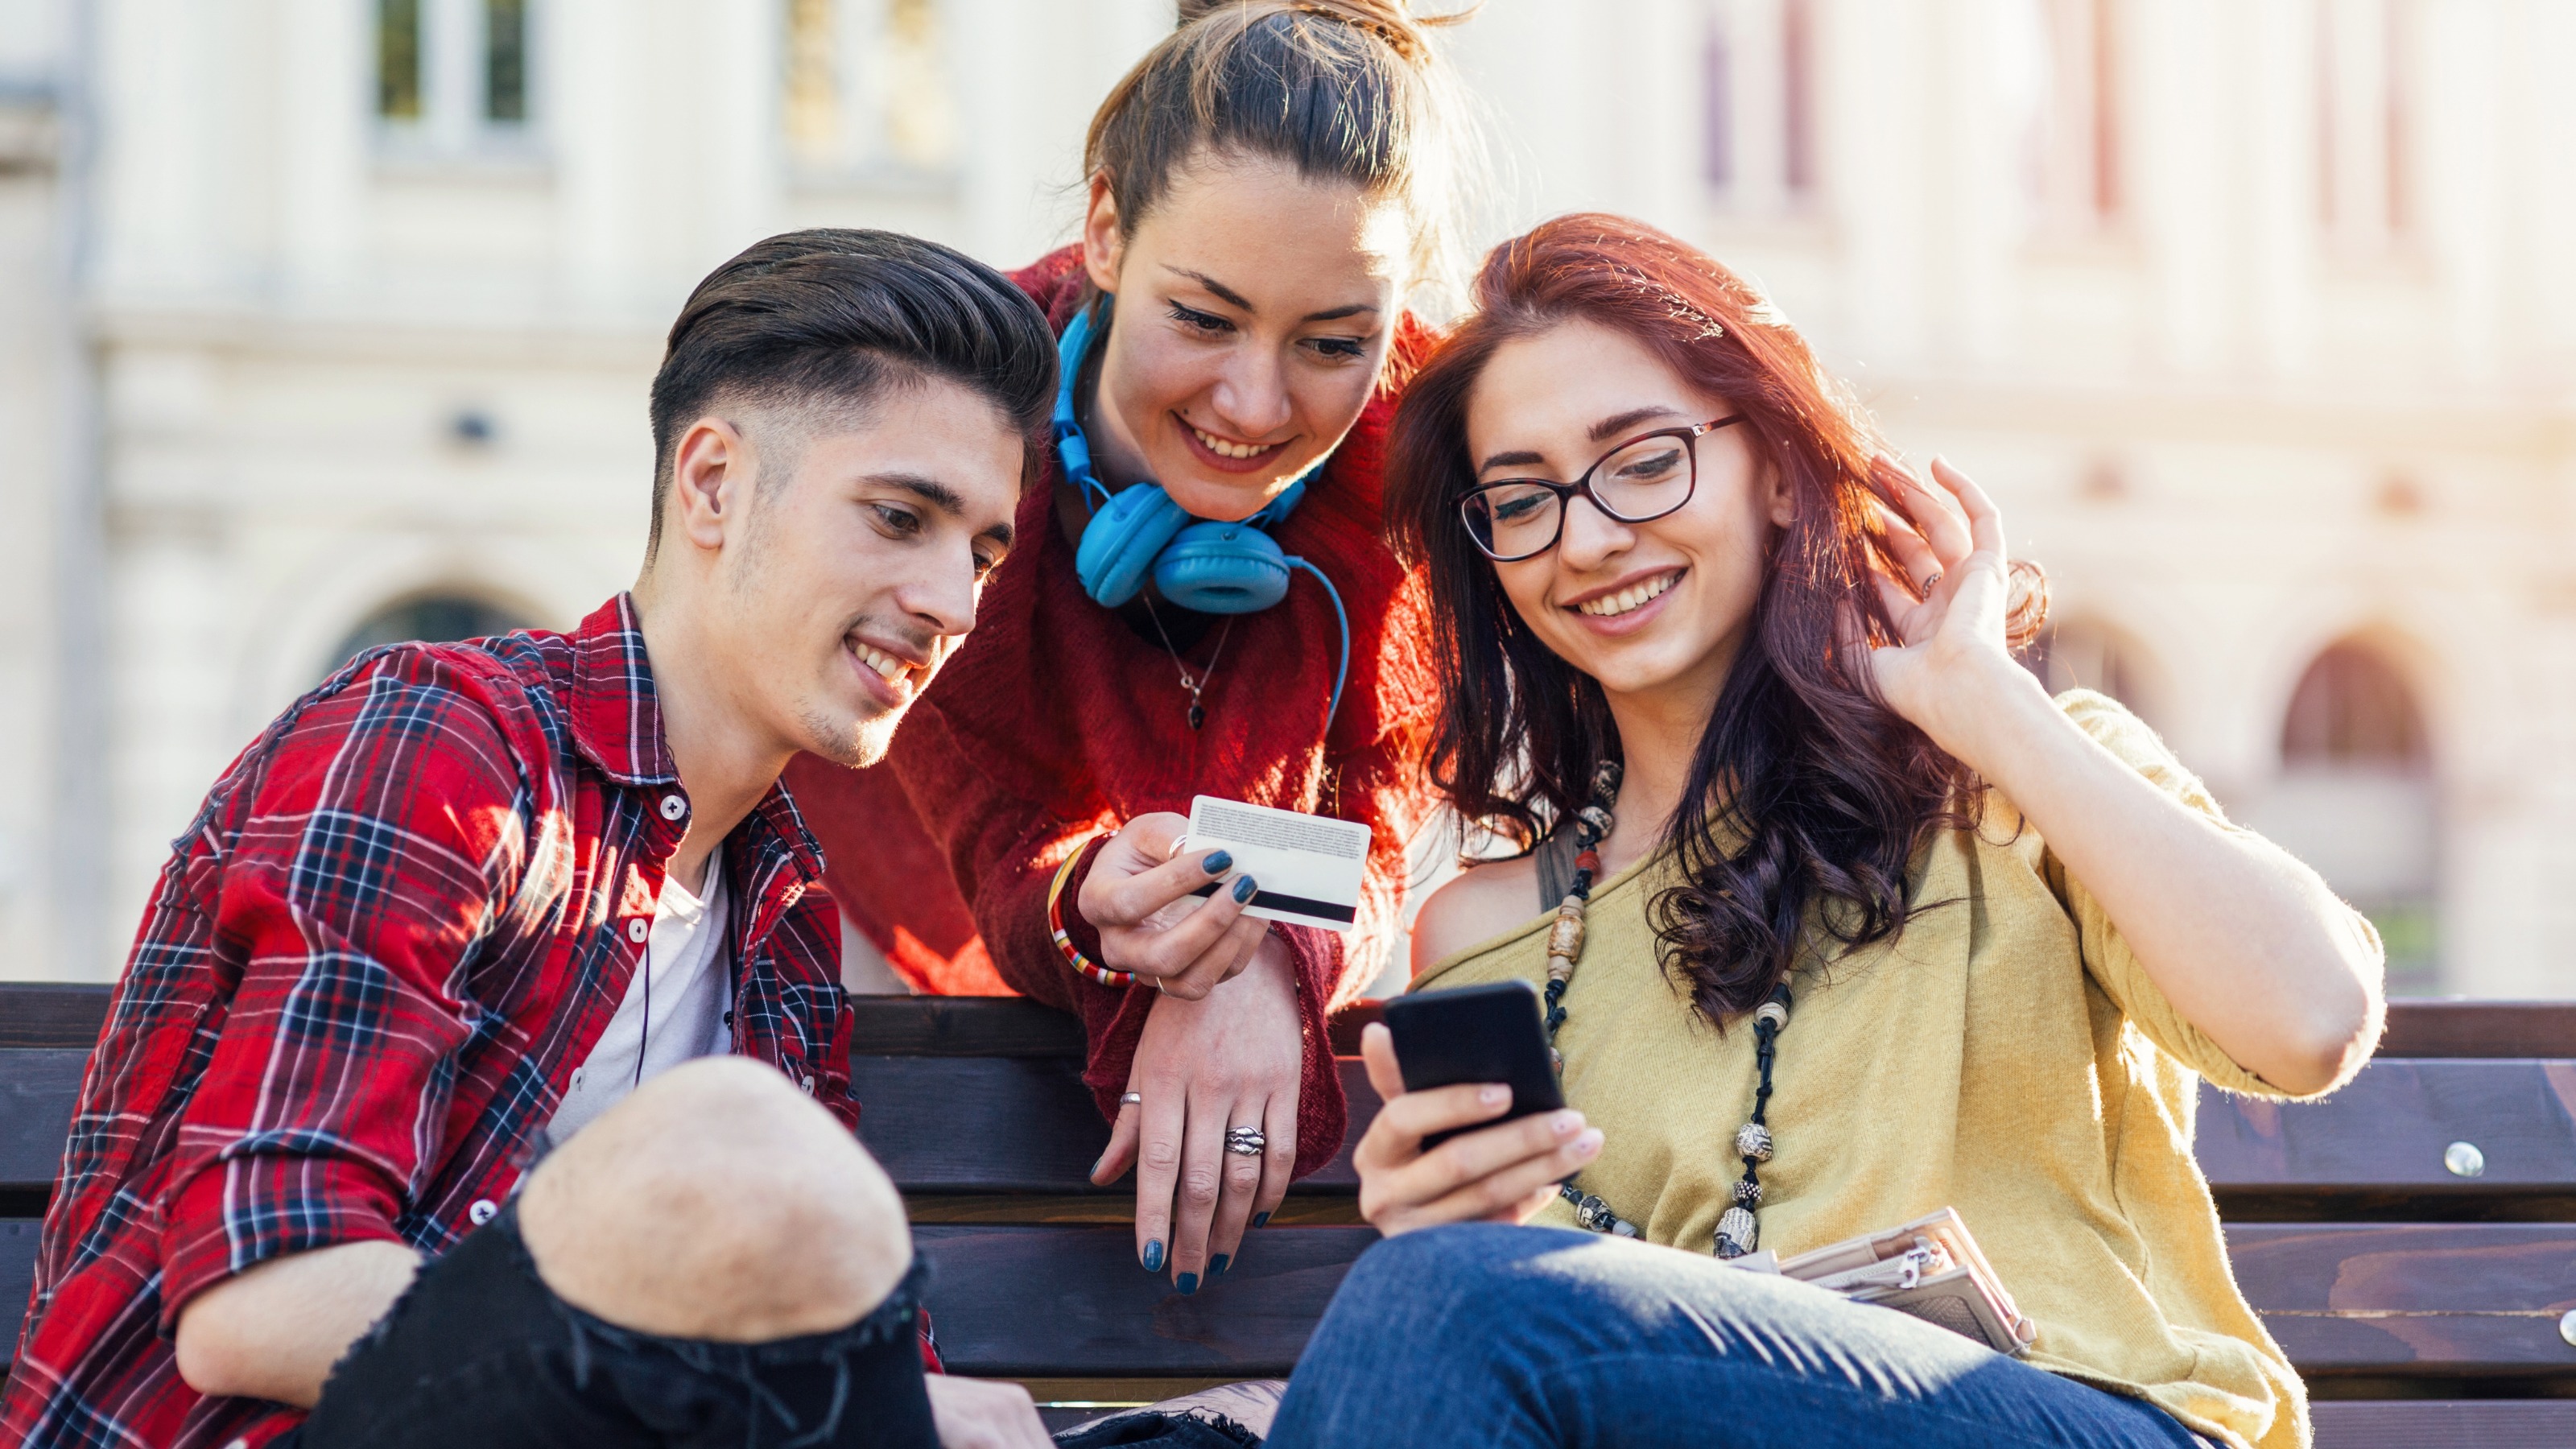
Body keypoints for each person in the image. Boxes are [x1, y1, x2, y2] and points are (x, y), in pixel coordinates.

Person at [1261, 214, 2384, 1449]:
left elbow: (2310, 1019)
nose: (1584, 539)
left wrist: (1990, 709)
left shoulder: (2014, 787)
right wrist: (1462, 1225)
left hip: (2088, 1419)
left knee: (1442, 1305)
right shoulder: (1485, 934)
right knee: (1437, 1296)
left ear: (1783, 473)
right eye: (1522, 500)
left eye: (1643, 461)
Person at [0, 230, 1061, 1449]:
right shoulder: (447, 746)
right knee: (744, 1136)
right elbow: (263, 1300)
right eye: (898, 516)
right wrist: (807, 1412)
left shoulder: (779, 904)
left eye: (981, 551)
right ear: (711, 483)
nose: (954, 602)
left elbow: (850, 1341)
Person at [784, 0, 1476, 1294]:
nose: (1255, 406)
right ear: (1106, 229)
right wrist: (1088, 902)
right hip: (882, 868)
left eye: (1335, 344)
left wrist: (1270, 956)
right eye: (1202, 319)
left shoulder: (1436, 455)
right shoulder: (953, 412)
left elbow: (1379, 812)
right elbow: (997, 825)